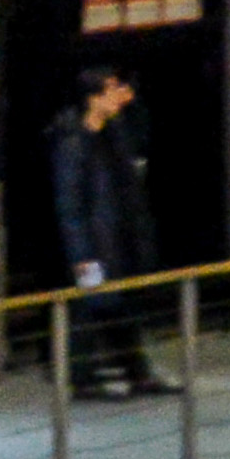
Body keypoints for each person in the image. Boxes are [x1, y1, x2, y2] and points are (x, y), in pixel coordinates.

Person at [50, 66, 162, 394]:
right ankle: (82, 375)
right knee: (91, 306)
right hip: (94, 245)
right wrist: (81, 254)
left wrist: (134, 103)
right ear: (92, 98)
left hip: (119, 239)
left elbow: (143, 139)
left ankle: (135, 371)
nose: (118, 94)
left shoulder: (114, 133)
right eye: (110, 89)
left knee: (120, 304)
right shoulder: (73, 143)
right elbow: (70, 203)